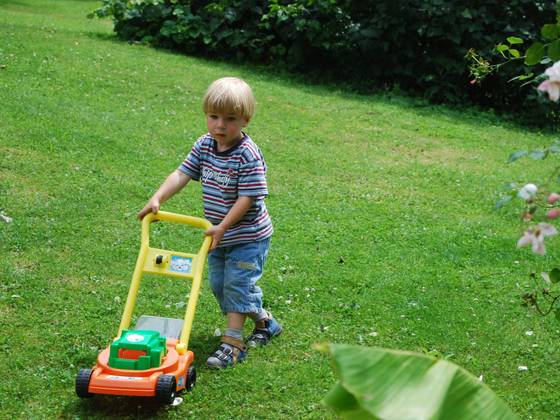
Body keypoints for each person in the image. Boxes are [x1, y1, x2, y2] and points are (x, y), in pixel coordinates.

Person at [137, 77, 282, 369]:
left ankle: (233, 343)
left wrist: (224, 226)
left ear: (245, 119)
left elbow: (248, 198)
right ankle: (266, 322)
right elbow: (182, 173)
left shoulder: (247, 154)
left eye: (230, 119)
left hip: (247, 236)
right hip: (217, 235)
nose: (220, 125)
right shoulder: (205, 145)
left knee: (238, 285)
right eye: (213, 117)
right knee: (220, 285)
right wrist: (157, 198)